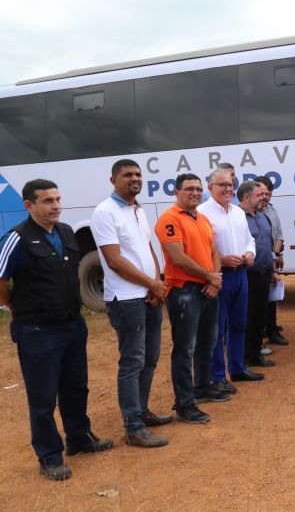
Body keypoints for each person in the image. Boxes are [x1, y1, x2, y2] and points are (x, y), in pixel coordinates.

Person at [0, 179, 113, 481]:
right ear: (29, 205)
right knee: (43, 397)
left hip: (72, 325)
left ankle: (79, 438)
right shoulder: (17, 238)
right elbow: (0, 280)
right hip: (37, 330)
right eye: (47, 201)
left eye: (57, 199)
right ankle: (49, 455)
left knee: (76, 387)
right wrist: (18, 308)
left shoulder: (65, 232)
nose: (56, 206)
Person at [90, 159, 170, 449]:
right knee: (132, 362)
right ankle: (133, 427)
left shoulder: (138, 210)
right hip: (126, 299)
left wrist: (157, 281)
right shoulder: (105, 212)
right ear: (113, 180)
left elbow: (148, 249)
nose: (134, 179)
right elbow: (114, 261)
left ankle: (142, 411)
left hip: (148, 295)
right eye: (127, 175)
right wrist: (152, 284)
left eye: (137, 174)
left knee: (150, 358)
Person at [156, 173, 228, 425]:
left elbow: (214, 251)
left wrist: (214, 278)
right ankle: (185, 404)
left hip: (208, 289)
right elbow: (178, 258)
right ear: (176, 192)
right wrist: (211, 277)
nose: (195, 193)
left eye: (198, 189)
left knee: (208, 342)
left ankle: (203, 387)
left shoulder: (203, 218)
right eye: (189, 189)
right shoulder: (169, 219)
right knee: (184, 349)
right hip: (184, 292)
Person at [198, 169, 262, 386]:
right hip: (220, 276)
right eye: (222, 185)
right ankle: (217, 377)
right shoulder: (201, 213)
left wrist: (250, 252)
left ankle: (237, 368)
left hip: (241, 275)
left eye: (230, 184)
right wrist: (222, 260)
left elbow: (248, 238)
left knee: (239, 324)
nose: (227, 189)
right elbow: (200, 249)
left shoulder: (237, 211)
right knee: (217, 329)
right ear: (210, 188)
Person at [238, 181, 279, 367]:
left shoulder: (263, 217)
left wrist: (273, 269)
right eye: (258, 195)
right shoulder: (237, 217)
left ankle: (255, 355)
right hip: (247, 276)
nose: (262, 198)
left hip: (264, 274)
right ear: (247, 197)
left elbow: (269, 245)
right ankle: (244, 358)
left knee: (259, 317)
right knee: (246, 317)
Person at [255, 176, 288, 346]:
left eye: (268, 194)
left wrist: (278, 255)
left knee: (271, 298)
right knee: (259, 301)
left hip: (272, 260)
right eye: (261, 193)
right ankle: (259, 334)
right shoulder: (250, 213)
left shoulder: (271, 209)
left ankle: (272, 330)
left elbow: (279, 234)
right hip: (259, 263)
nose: (264, 197)